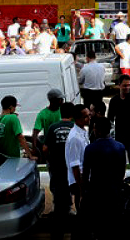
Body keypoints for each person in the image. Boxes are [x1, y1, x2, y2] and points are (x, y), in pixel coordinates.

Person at [82, 117, 126, 240]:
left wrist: (84, 190)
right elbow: (122, 171)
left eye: (94, 128)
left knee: (97, 226)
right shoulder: (120, 147)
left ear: (99, 131)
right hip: (114, 192)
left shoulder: (90, 148)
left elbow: (86, 173)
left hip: (96, 192)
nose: (93, 130)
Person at [43, 102, 75, 240]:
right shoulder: (75, 128)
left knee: (57, 193)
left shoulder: (53, 127)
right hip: (70, 169)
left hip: (56, 167)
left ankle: (57, 228)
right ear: (72, 114)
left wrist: (49, 159)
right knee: (68, 193)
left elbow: (44, 148)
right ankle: (67, 214)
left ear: (60, 112)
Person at [65, 104, 91, 212]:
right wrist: (81, 189)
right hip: (78, 181)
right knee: (82, 209)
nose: (89, 118)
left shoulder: (83, 132)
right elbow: (75, 165)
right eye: (86, 116)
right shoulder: (75, 138)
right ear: (78, 119)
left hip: (84, 178)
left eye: (89, 115)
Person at [33, 89, 64, 158]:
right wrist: (34, 150)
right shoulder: (43, 114)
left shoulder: (64, 110)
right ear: (53, 100)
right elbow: (35, 132)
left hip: (63, 145)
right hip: (51, 148)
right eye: (61, 99)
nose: (63, 100)